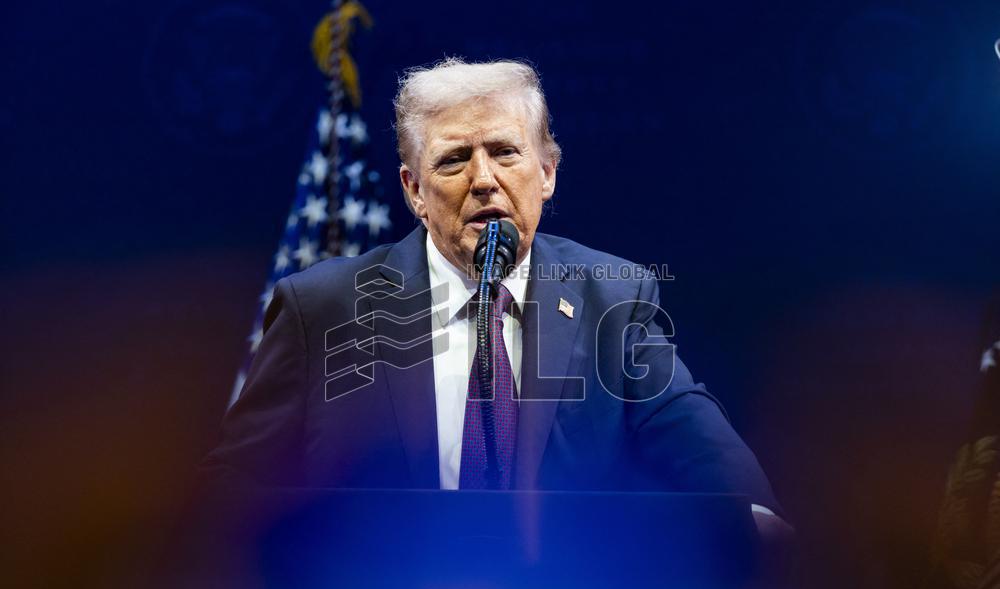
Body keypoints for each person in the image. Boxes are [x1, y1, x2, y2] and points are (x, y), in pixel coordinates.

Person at [202, 58, 784, 528]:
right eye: (454, 159)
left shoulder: (613, 295)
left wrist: (756, 517)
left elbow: (692, 433)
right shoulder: (322, 307)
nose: (483, 178)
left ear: (548, 172)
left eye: (505, 152)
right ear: (414, 191)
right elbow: (237, 481)